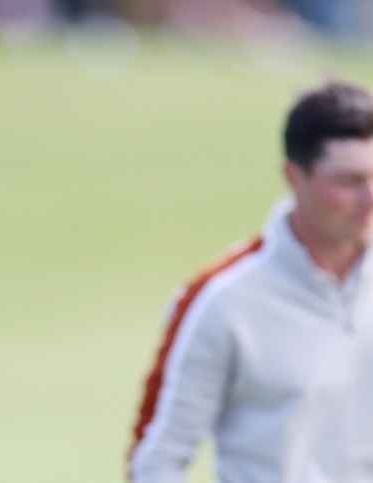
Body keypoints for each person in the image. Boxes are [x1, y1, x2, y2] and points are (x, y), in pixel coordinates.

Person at [128, 79, 373, 482]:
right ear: (294, 177)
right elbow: (158, 457)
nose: (369, 198)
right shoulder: (221, 298)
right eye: (349, 181)